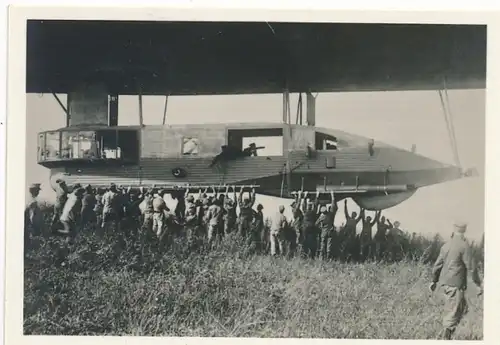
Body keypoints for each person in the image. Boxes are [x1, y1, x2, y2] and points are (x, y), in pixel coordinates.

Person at [430, 221, 483, 340]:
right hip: (455, 284)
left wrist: (433, 281)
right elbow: (471, 267)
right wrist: (478, 284)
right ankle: (445, 338)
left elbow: (437, 266)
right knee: (453, 312)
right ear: (464, 230)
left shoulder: (446, 245)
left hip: (445, 284)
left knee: (461, 308)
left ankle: (447, 333)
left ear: (454, 229)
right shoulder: (464, 246)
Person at [315, 192, 337, 260]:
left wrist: (321, 227)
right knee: (329, 245)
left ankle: (321, 257)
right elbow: (333, 205)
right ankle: (328, 257)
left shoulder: (321, 217)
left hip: (323, 232)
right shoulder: (330, 215)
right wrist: (332, 195)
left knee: (322, 245)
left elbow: (316, 224)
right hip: (330, 231)